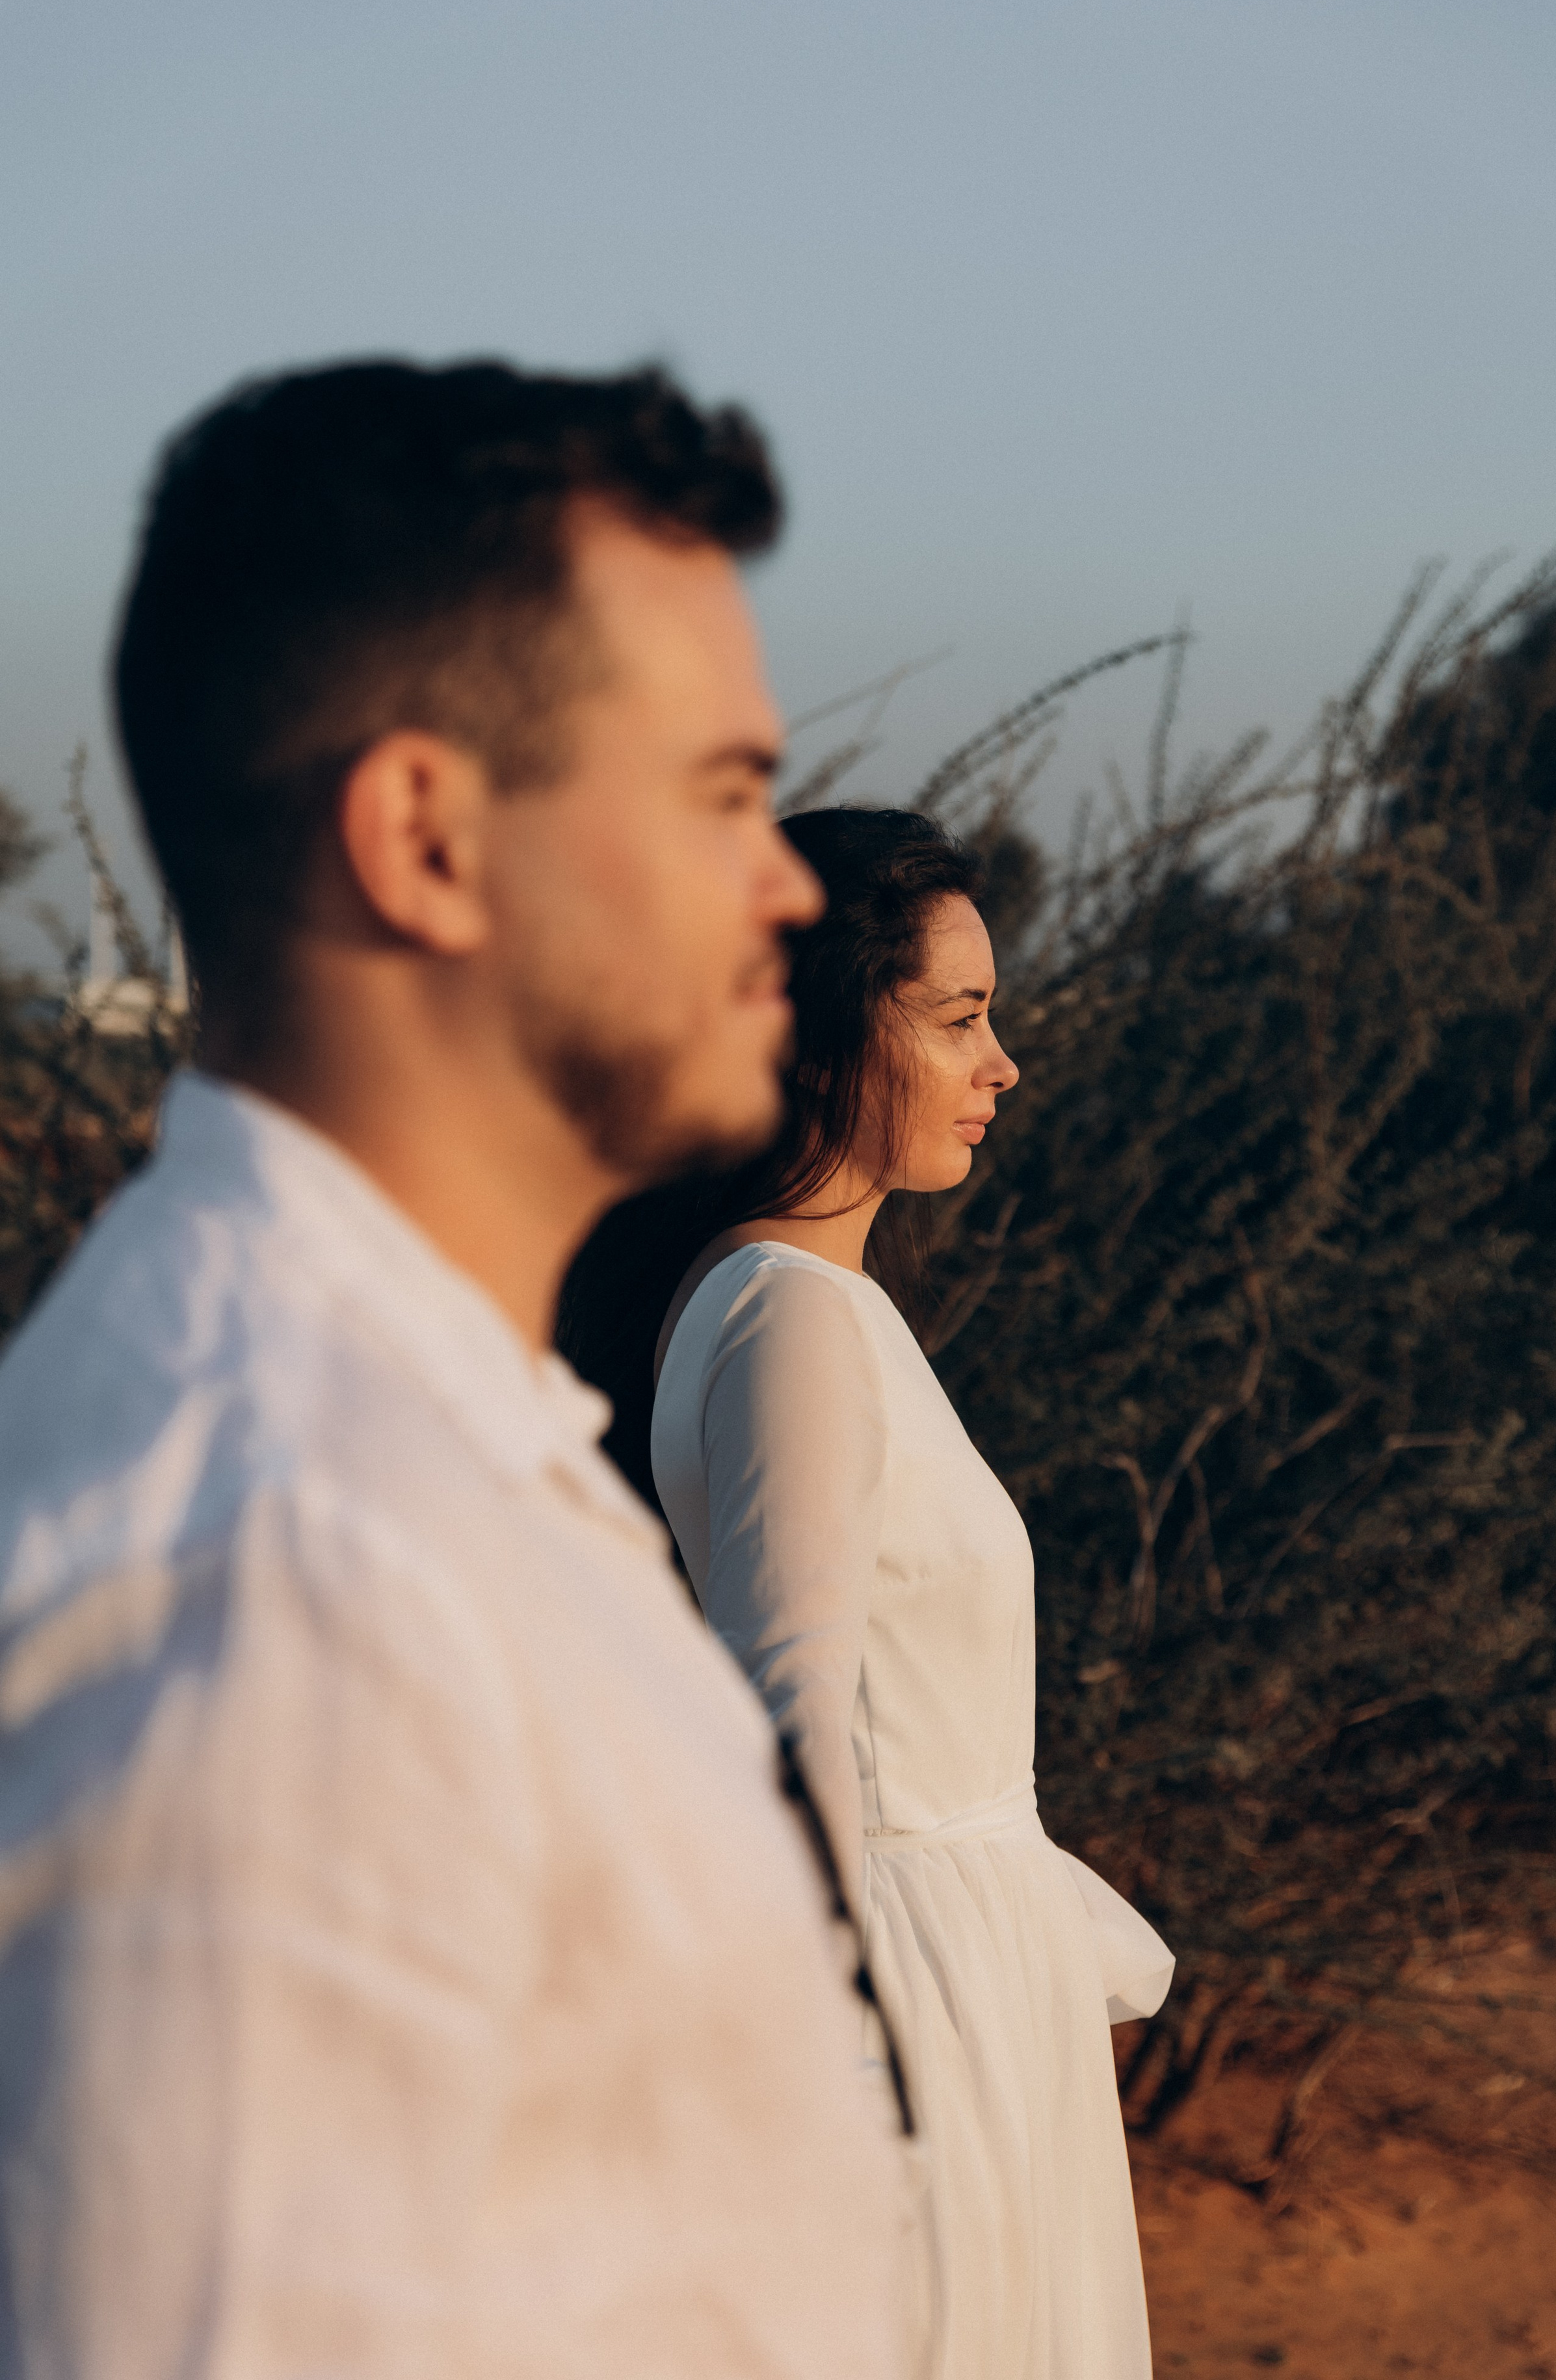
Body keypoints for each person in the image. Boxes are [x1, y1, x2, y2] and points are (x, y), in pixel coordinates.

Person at [0, 361, 917, 2377]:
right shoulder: (287, 1579)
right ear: (423, 836)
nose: (785, 882)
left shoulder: (425, 1456)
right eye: (718, 793)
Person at [562, 806, 1175, 2380]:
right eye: (959, 1017)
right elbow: (786, 1738)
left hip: (972, 1978)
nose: (1003, 1064)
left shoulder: (815, 1307)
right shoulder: (789, 1323)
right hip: (917, 2011)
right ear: (822, 1031)